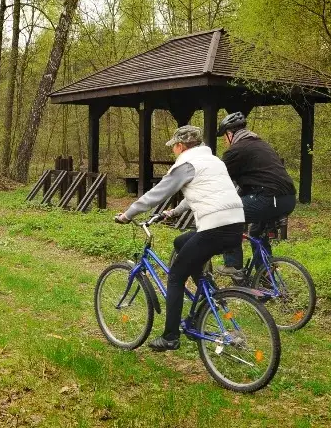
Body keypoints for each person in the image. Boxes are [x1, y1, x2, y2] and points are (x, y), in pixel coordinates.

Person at [114, 125, 245, 351]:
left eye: (173, 146)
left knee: (175, 276)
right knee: (181, 243)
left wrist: (128, 214)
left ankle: (170, 337)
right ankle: (205, 295)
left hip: (213, 227)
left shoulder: (186, 164)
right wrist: (174, 212)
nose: (173, 150)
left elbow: (157, 194)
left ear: (181, 145)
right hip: (235, 223)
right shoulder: (214, 161)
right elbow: (199, 192)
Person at [215, 112, 296, 278]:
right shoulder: (261, 144)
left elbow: (220, 180)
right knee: (257, 233)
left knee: (226, 215)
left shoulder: (235, 151)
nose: (225, 141)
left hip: (268, 198)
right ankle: (265, 275)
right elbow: (252, 179)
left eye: (224, 136)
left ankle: (233, 265)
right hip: (287, 199)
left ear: (230, 134)